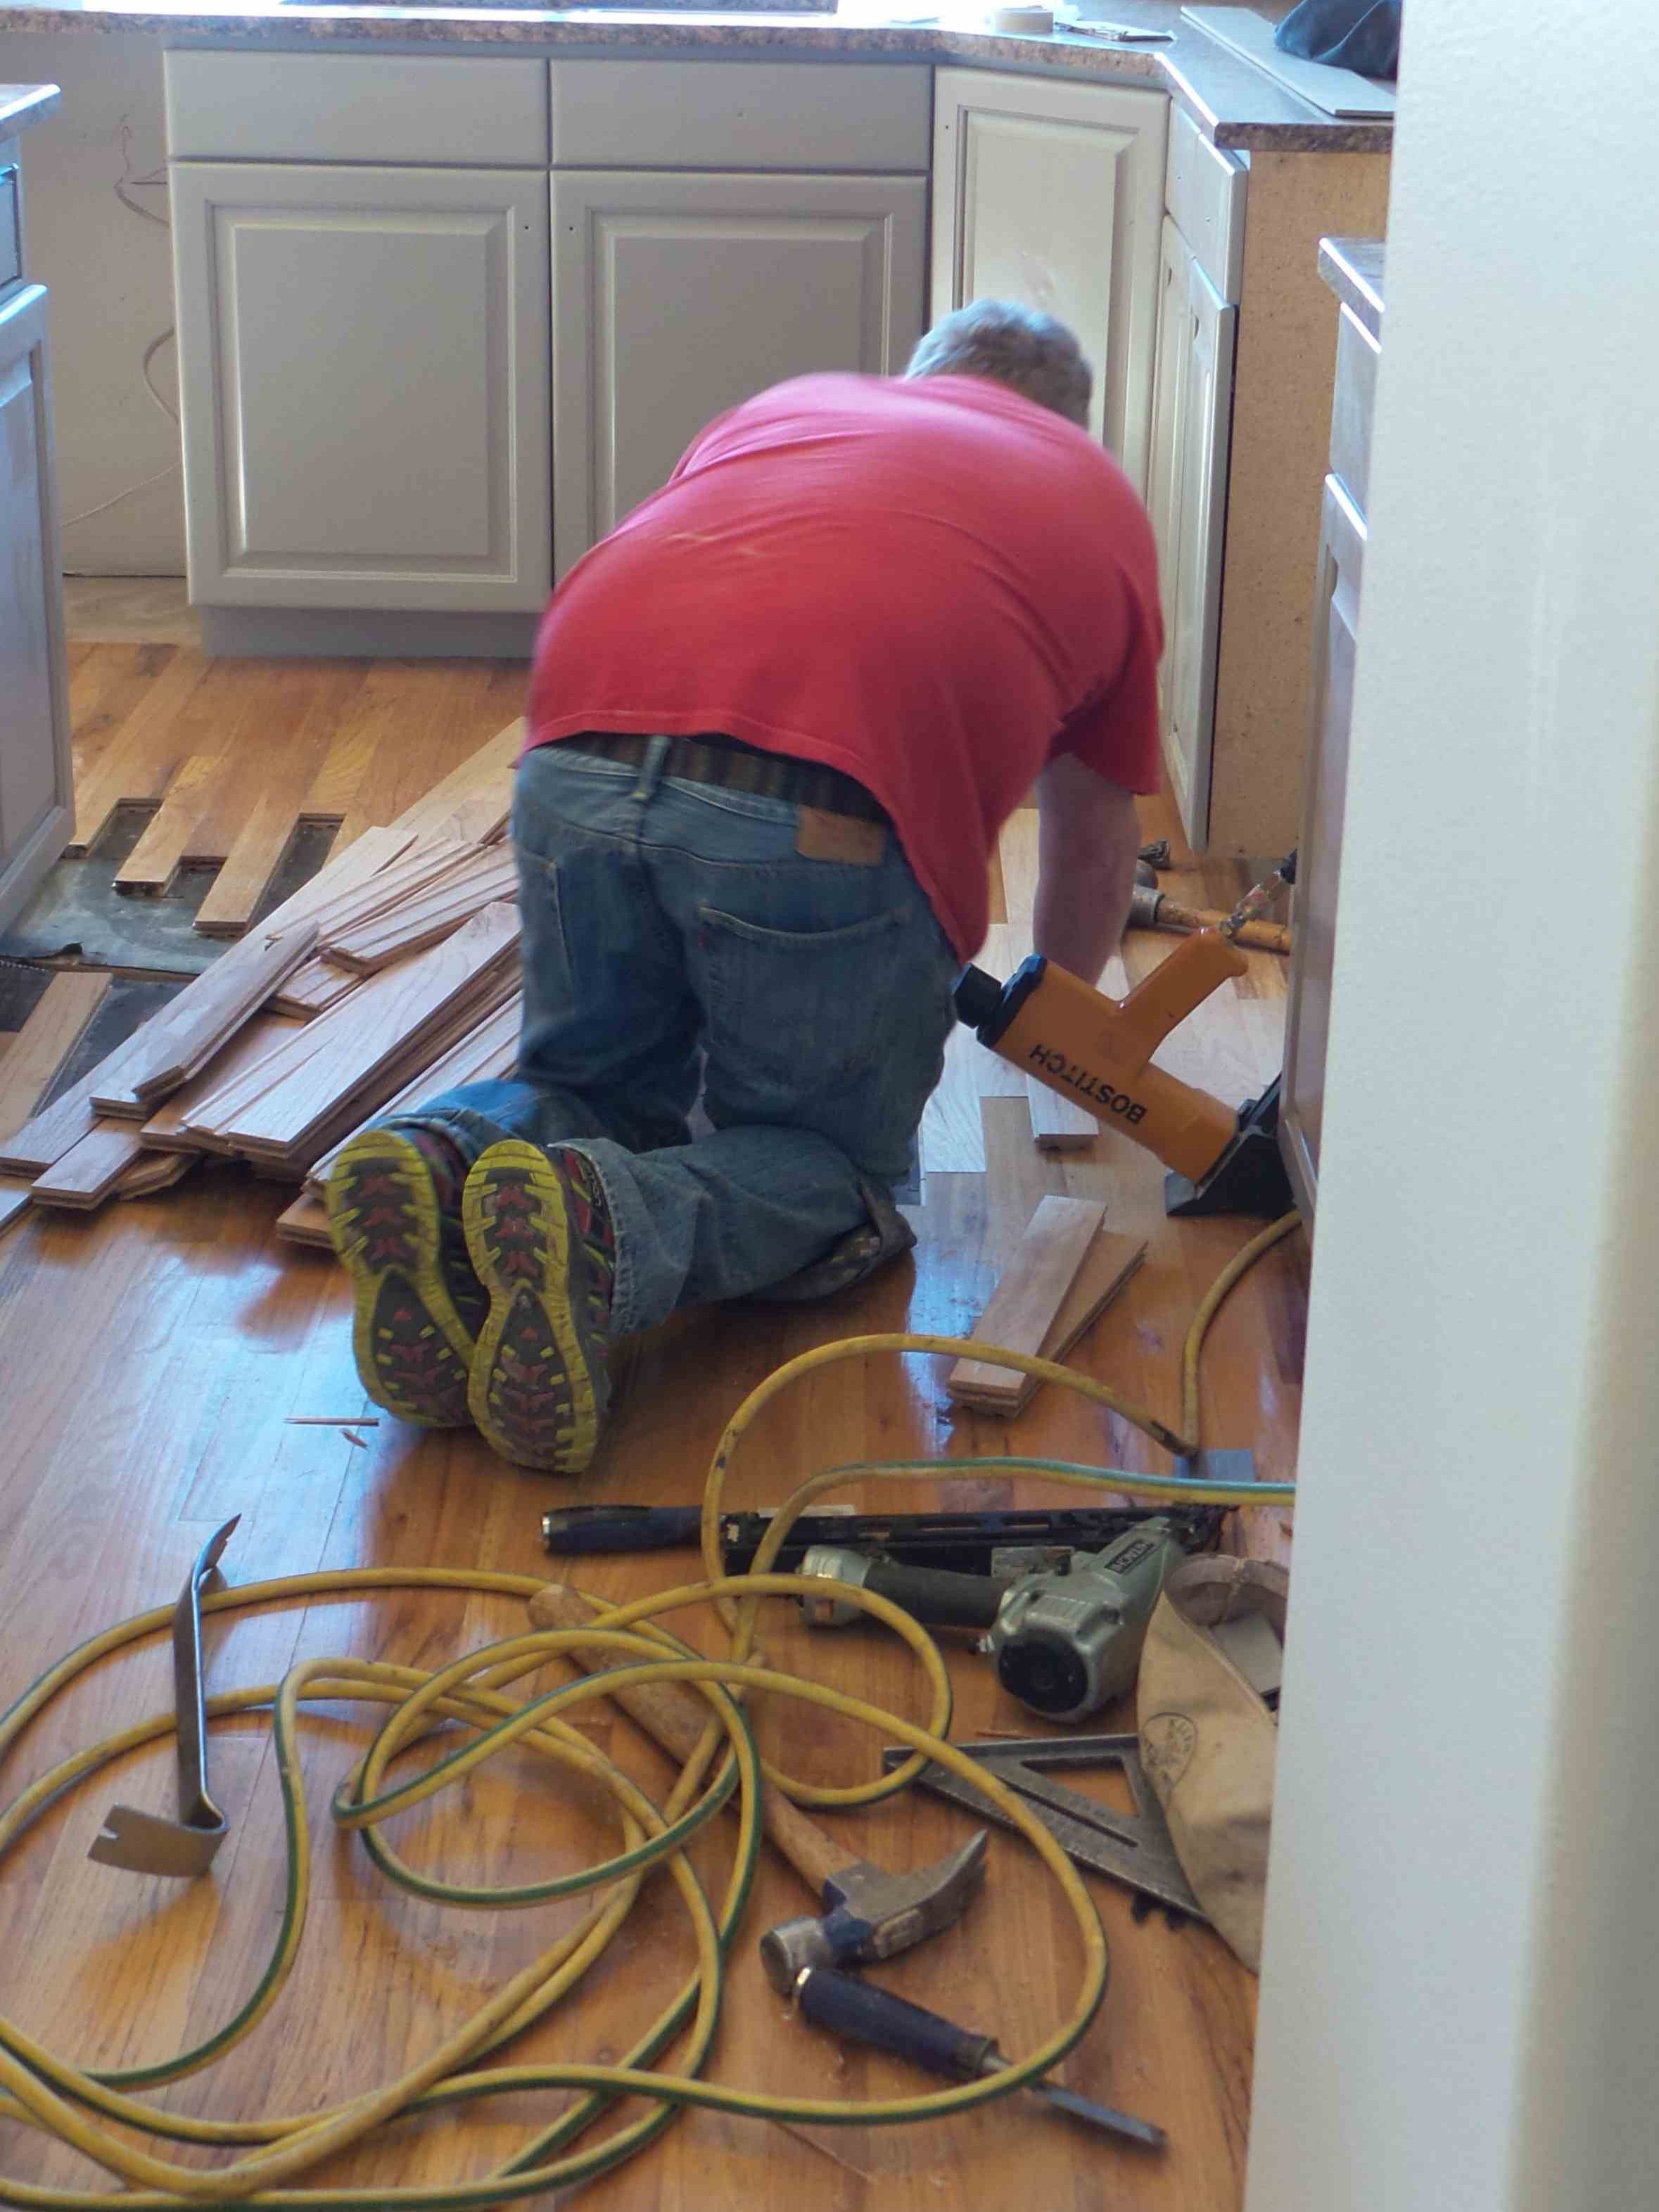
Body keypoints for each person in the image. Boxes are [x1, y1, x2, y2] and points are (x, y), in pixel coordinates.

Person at [324, 300, 1162, 1475]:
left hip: (572, 755)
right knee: (829, 1169)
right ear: (1066, 421)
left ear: (921, 377)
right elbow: (1090, 828)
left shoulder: (792, 408)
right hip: (817, 806)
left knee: (596, 1086)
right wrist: (1055, 1015)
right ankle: (605, 1228)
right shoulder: (1090, 492)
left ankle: (441, 1153)